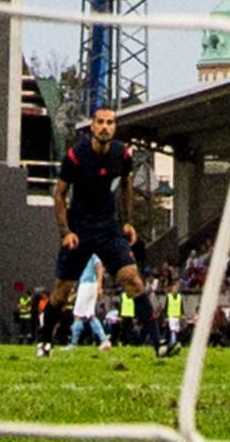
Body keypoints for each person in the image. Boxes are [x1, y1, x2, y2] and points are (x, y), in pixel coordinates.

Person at [32, 108, 169, 358]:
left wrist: (127, 222)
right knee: (61, 293)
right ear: (92, 127)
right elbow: (60, 194)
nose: (105, 127)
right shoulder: (76, 156)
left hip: (108, 228)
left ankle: (159, 343)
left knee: (133, 280)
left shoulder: (121, 154)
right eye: (101, 122)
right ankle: (44, 340)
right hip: (80, 229)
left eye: (110, 122)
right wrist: (65, 231)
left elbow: (126, 183)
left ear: (114, 127)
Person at [69, 256, 107, 350]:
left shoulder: (91, 254)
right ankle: (104, 340)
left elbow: (99, 266)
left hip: (87, 285)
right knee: (90, 315)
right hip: (87, 285)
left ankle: (74, 343)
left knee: (78, 315)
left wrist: (99, 284)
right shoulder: (88, 254)